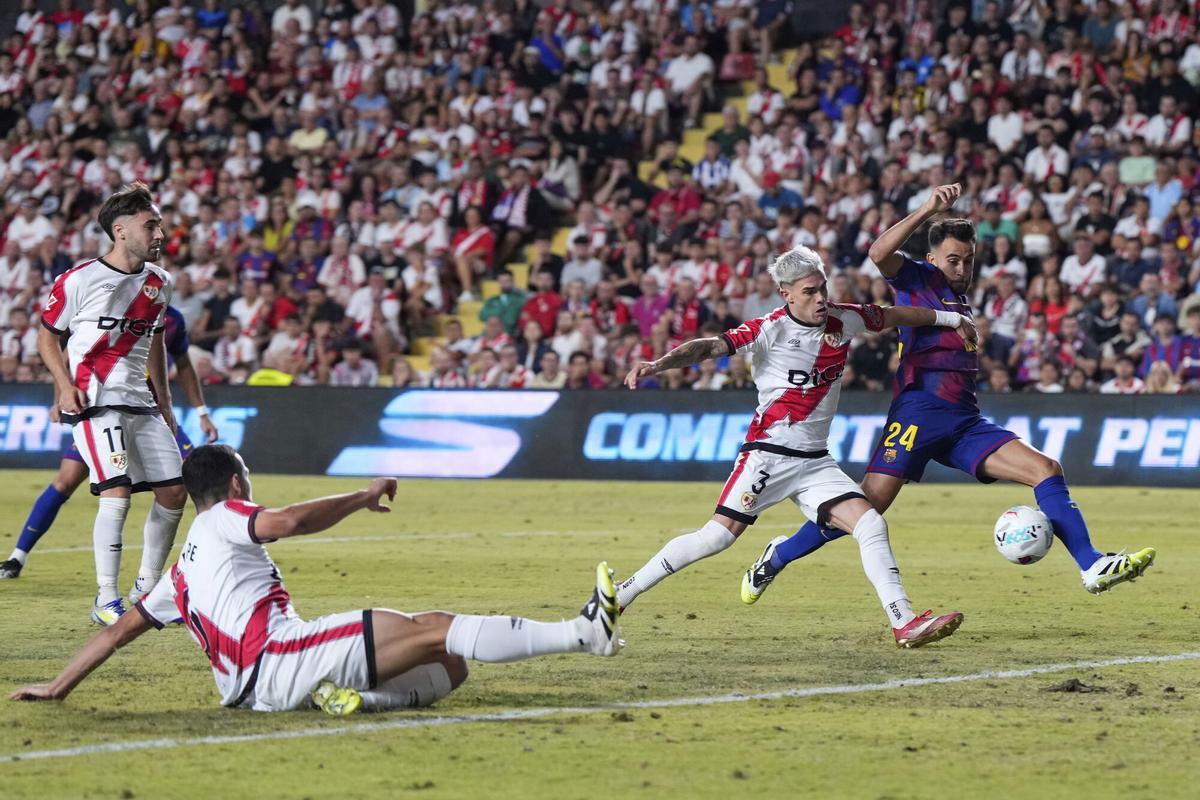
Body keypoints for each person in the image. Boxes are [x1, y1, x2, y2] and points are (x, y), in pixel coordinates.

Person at [756, 184, 1155, 602]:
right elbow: (878, 253)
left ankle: (1092, 565)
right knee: (867, 506)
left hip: (965, 420)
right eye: (953, 259)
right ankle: (778, 556)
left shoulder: (960, 297)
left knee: (1046, 469)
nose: (961, 267)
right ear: (931, 259)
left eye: (967, 260)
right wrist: (927, 208)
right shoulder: (918, 277)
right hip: (919, 413)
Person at [9, 445, 621, 715]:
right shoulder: (227, 517)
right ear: (235, 486)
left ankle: (349, 701)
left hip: (250, 688)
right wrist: (363, 494)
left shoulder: (177, 573)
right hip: (278, 656)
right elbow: (292, 521)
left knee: (451, 666)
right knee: (435, 628)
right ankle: (582, 632)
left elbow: (117, 633)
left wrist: (58, 685)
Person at [619, 245, 970, 649]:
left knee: (871, 523)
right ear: (786, 293)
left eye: (822, 288)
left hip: (815, 462)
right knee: (716, 538)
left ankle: (904, 622)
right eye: (809, 292)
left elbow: (892, 315)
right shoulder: (767, 330)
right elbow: (708, 346)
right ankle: (622, 595)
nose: (820, 298)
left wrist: (949, 317)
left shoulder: (845, 318)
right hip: (768, 454)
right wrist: (657, 365)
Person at [35, 183, 193, 625]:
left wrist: (166, 401)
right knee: (117, 493)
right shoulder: (79, 279)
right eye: (151, 225)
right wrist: (64, 387)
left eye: (159, 224)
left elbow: (157, 343)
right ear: (120, 231)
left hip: (141, 403)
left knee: (175, 492)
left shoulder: (161, 283)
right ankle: (106, 599)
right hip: (94, 401)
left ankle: (147, 591)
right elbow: (47, 336)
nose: (160, 233)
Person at [2, 306, 219, 580]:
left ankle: (209, 554)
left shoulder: (172, 318)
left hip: (150, 415)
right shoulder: (109, 306)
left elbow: (184, 364)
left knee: (191, 479)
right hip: (106, 413)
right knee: (66, 481)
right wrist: (61, 395)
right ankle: (16, 558)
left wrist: (202, 413)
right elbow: (68, 355)